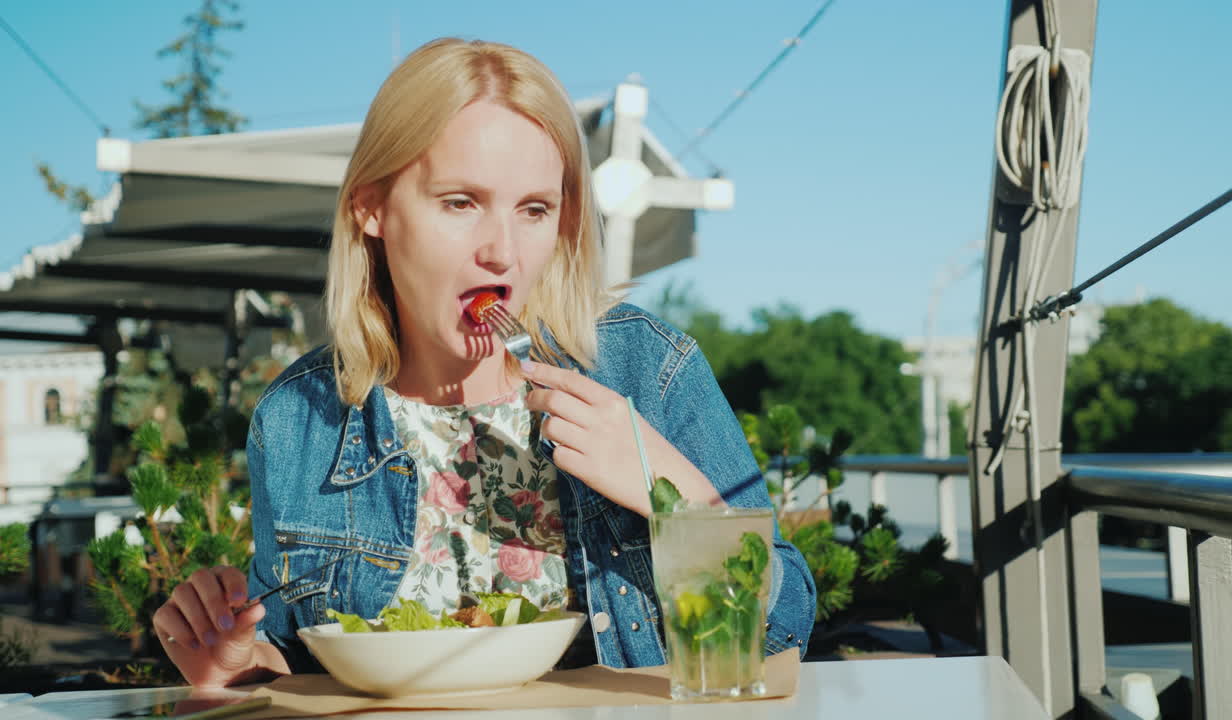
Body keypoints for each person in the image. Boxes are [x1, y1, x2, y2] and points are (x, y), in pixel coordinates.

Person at [151, 37, 816, 688]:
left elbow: (785, 627)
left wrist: (670, 491)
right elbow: (293, 661)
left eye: (534, 209)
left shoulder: (645, 368)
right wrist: (235, 664)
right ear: (371, 206)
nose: (502, 250)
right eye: (460, 202)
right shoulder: (300, 419)